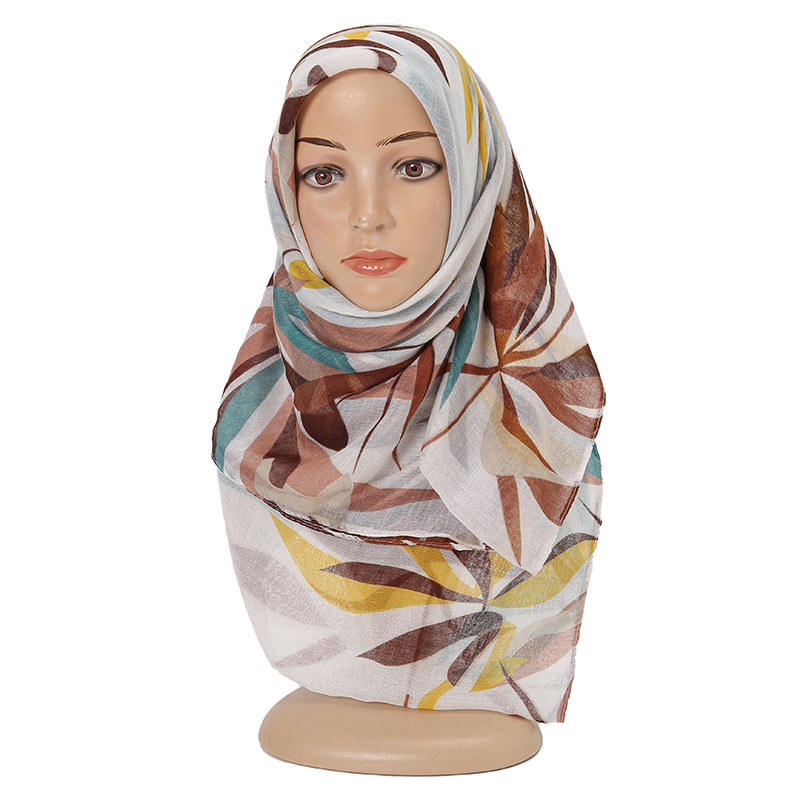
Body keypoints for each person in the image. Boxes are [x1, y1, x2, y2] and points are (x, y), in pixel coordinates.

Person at [212, 24, 605, 774]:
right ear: (284, 190)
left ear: (479, 174)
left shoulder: (534, 411)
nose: (369, 213)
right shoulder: (259, 414)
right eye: (325, 173)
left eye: (414, 166)